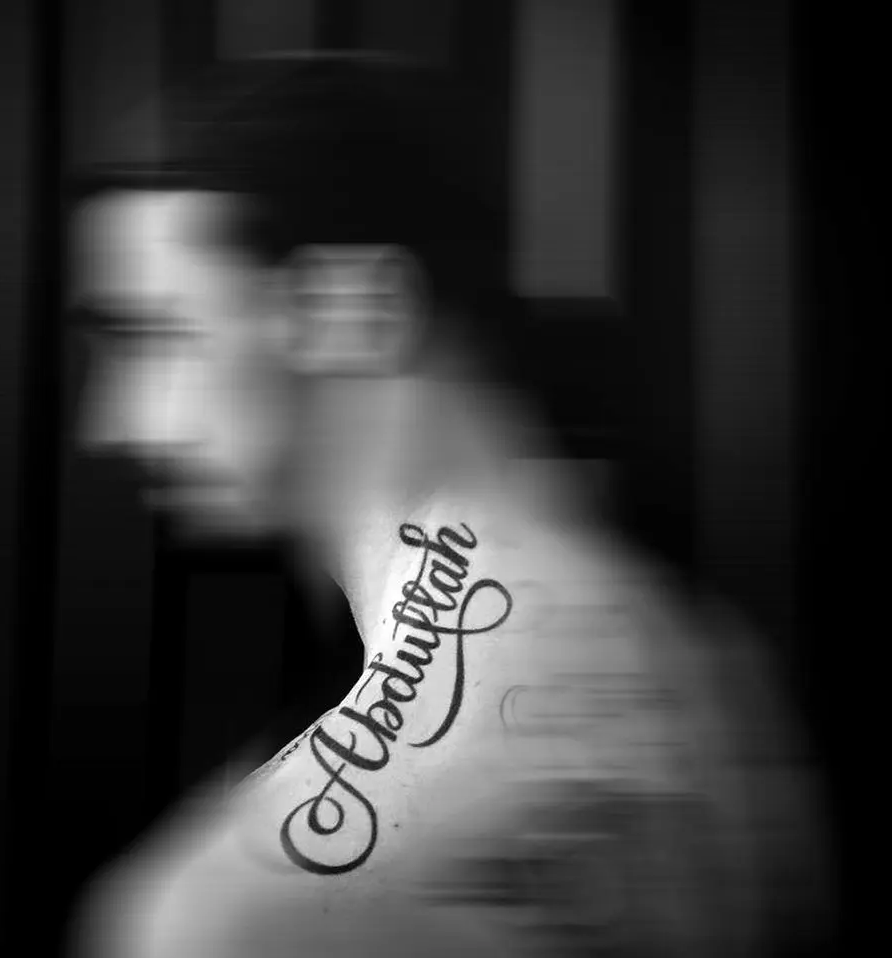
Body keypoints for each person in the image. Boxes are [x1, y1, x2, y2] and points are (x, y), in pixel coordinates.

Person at [66, 53, 830, 958]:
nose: (106, 422)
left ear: (355, 307)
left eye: (154, 335)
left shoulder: (237, 916)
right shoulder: (700, 662)